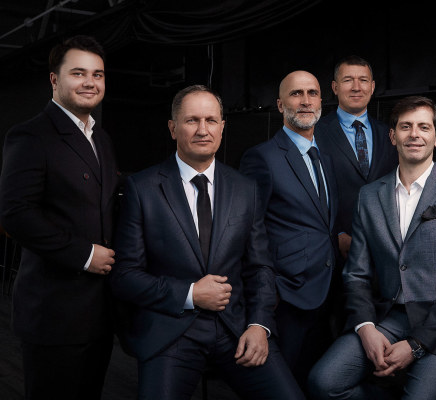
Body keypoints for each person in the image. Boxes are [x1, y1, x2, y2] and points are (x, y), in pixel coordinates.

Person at [110, 85, 303, 400]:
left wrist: (259, 325)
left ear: (222, 127)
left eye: (211, 120)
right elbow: (124, 276)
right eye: (192, 120)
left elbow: (260, 268)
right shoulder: (141, 189)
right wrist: (190, 294)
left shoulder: (246, 189)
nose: (203, 130)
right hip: (172, 331)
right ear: (173, 128)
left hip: (236, 328)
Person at [309, 96, 436, 399]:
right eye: (406, 126)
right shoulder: (369, 196)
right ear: (392, 136)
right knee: (323, 383)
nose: (414, 134)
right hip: (386, 317)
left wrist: (415, 345)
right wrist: (365, 328)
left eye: (424, 127)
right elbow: (357, 274)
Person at [0, 36, 119, 400]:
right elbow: (16, 214)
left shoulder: (101, 138)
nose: (90, 82)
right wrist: (85, 254)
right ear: (54, 79)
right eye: (78, 73)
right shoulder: (30, 135)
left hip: (98, 312)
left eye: (97, 74)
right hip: (54, 313)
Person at [239, 70, 338, 389]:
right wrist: (269, 293)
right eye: (296, 94)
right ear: (281, 105)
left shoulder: (325, 157)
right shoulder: (262, 158)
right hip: (286, 297)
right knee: (284, 387)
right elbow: (249, 233)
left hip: (326, 293)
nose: (306, 100)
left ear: (321, 101)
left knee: (314, 383)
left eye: (313, 93)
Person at [315, 55, 397, 260]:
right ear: (335, 87)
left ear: (372, 86)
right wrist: (336, 233)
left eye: (363, 80)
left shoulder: (389, 135)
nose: (356, 87)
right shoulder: (315, 133)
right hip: (335, 249)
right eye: (348, 80)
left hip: (384, 248)